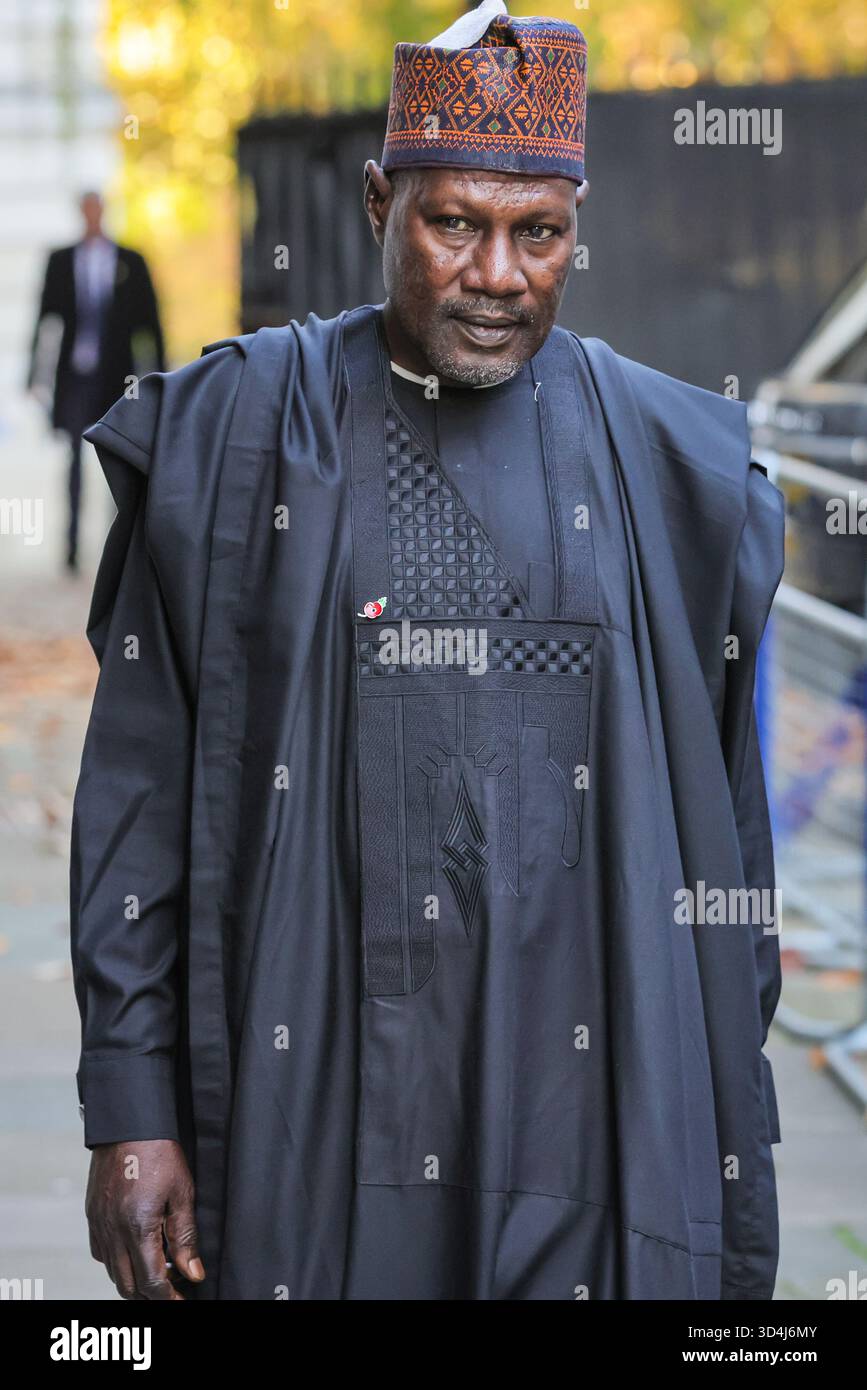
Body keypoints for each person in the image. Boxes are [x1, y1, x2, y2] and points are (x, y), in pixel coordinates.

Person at [70, 1, 784, 1301]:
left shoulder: (674, 471)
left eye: (539, 233)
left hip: (591, 1122)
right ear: (375, 202)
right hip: (316, 1114)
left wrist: (722, 1113)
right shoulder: (235, 439)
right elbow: (135, 793)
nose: (497, 274)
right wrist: (130, 1100)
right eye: (453, 223)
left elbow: (727, 840)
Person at [27, 190, 165, 570]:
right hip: (74, 376)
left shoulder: (131, 261)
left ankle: (117, 547)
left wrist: (162, 377)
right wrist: (33, 375)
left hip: (119, 379)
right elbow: (44, 320)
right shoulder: (60, 261)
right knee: (73, 459)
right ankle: (70, 548)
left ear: (104, 212)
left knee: (117, 460)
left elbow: (150, 325)